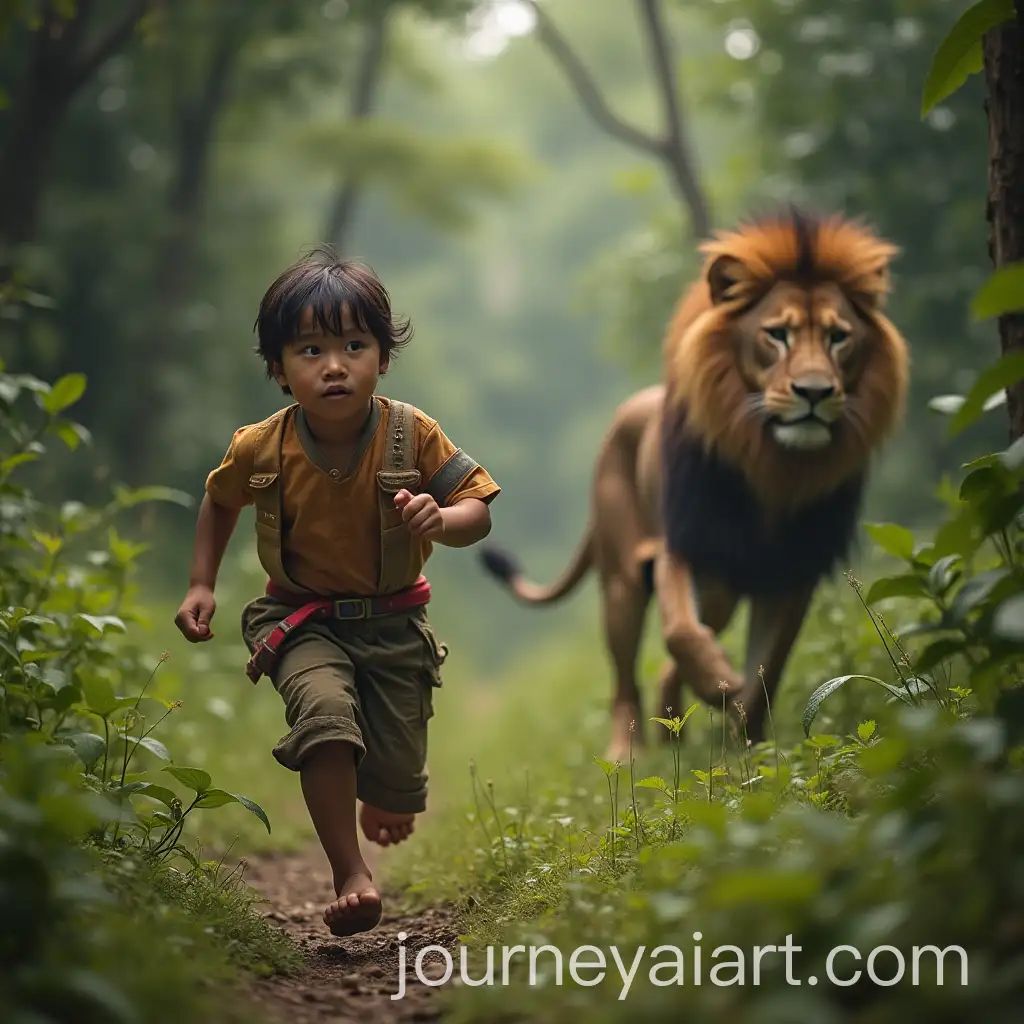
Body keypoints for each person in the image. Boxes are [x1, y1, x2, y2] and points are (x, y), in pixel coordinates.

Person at [173, 246, 500, 937]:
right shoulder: (260, 447)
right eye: (310, 350)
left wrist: (441, 520)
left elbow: (478, 509)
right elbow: (219, 499)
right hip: (300, 620)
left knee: (397, 788)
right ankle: (350, 872)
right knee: (324, 719)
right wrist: (202, 582)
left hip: (395, 626)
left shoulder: (414, 434)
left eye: (354, 345)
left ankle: (387, 792)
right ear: (278, 368)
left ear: (382, 357)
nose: (334, 365)